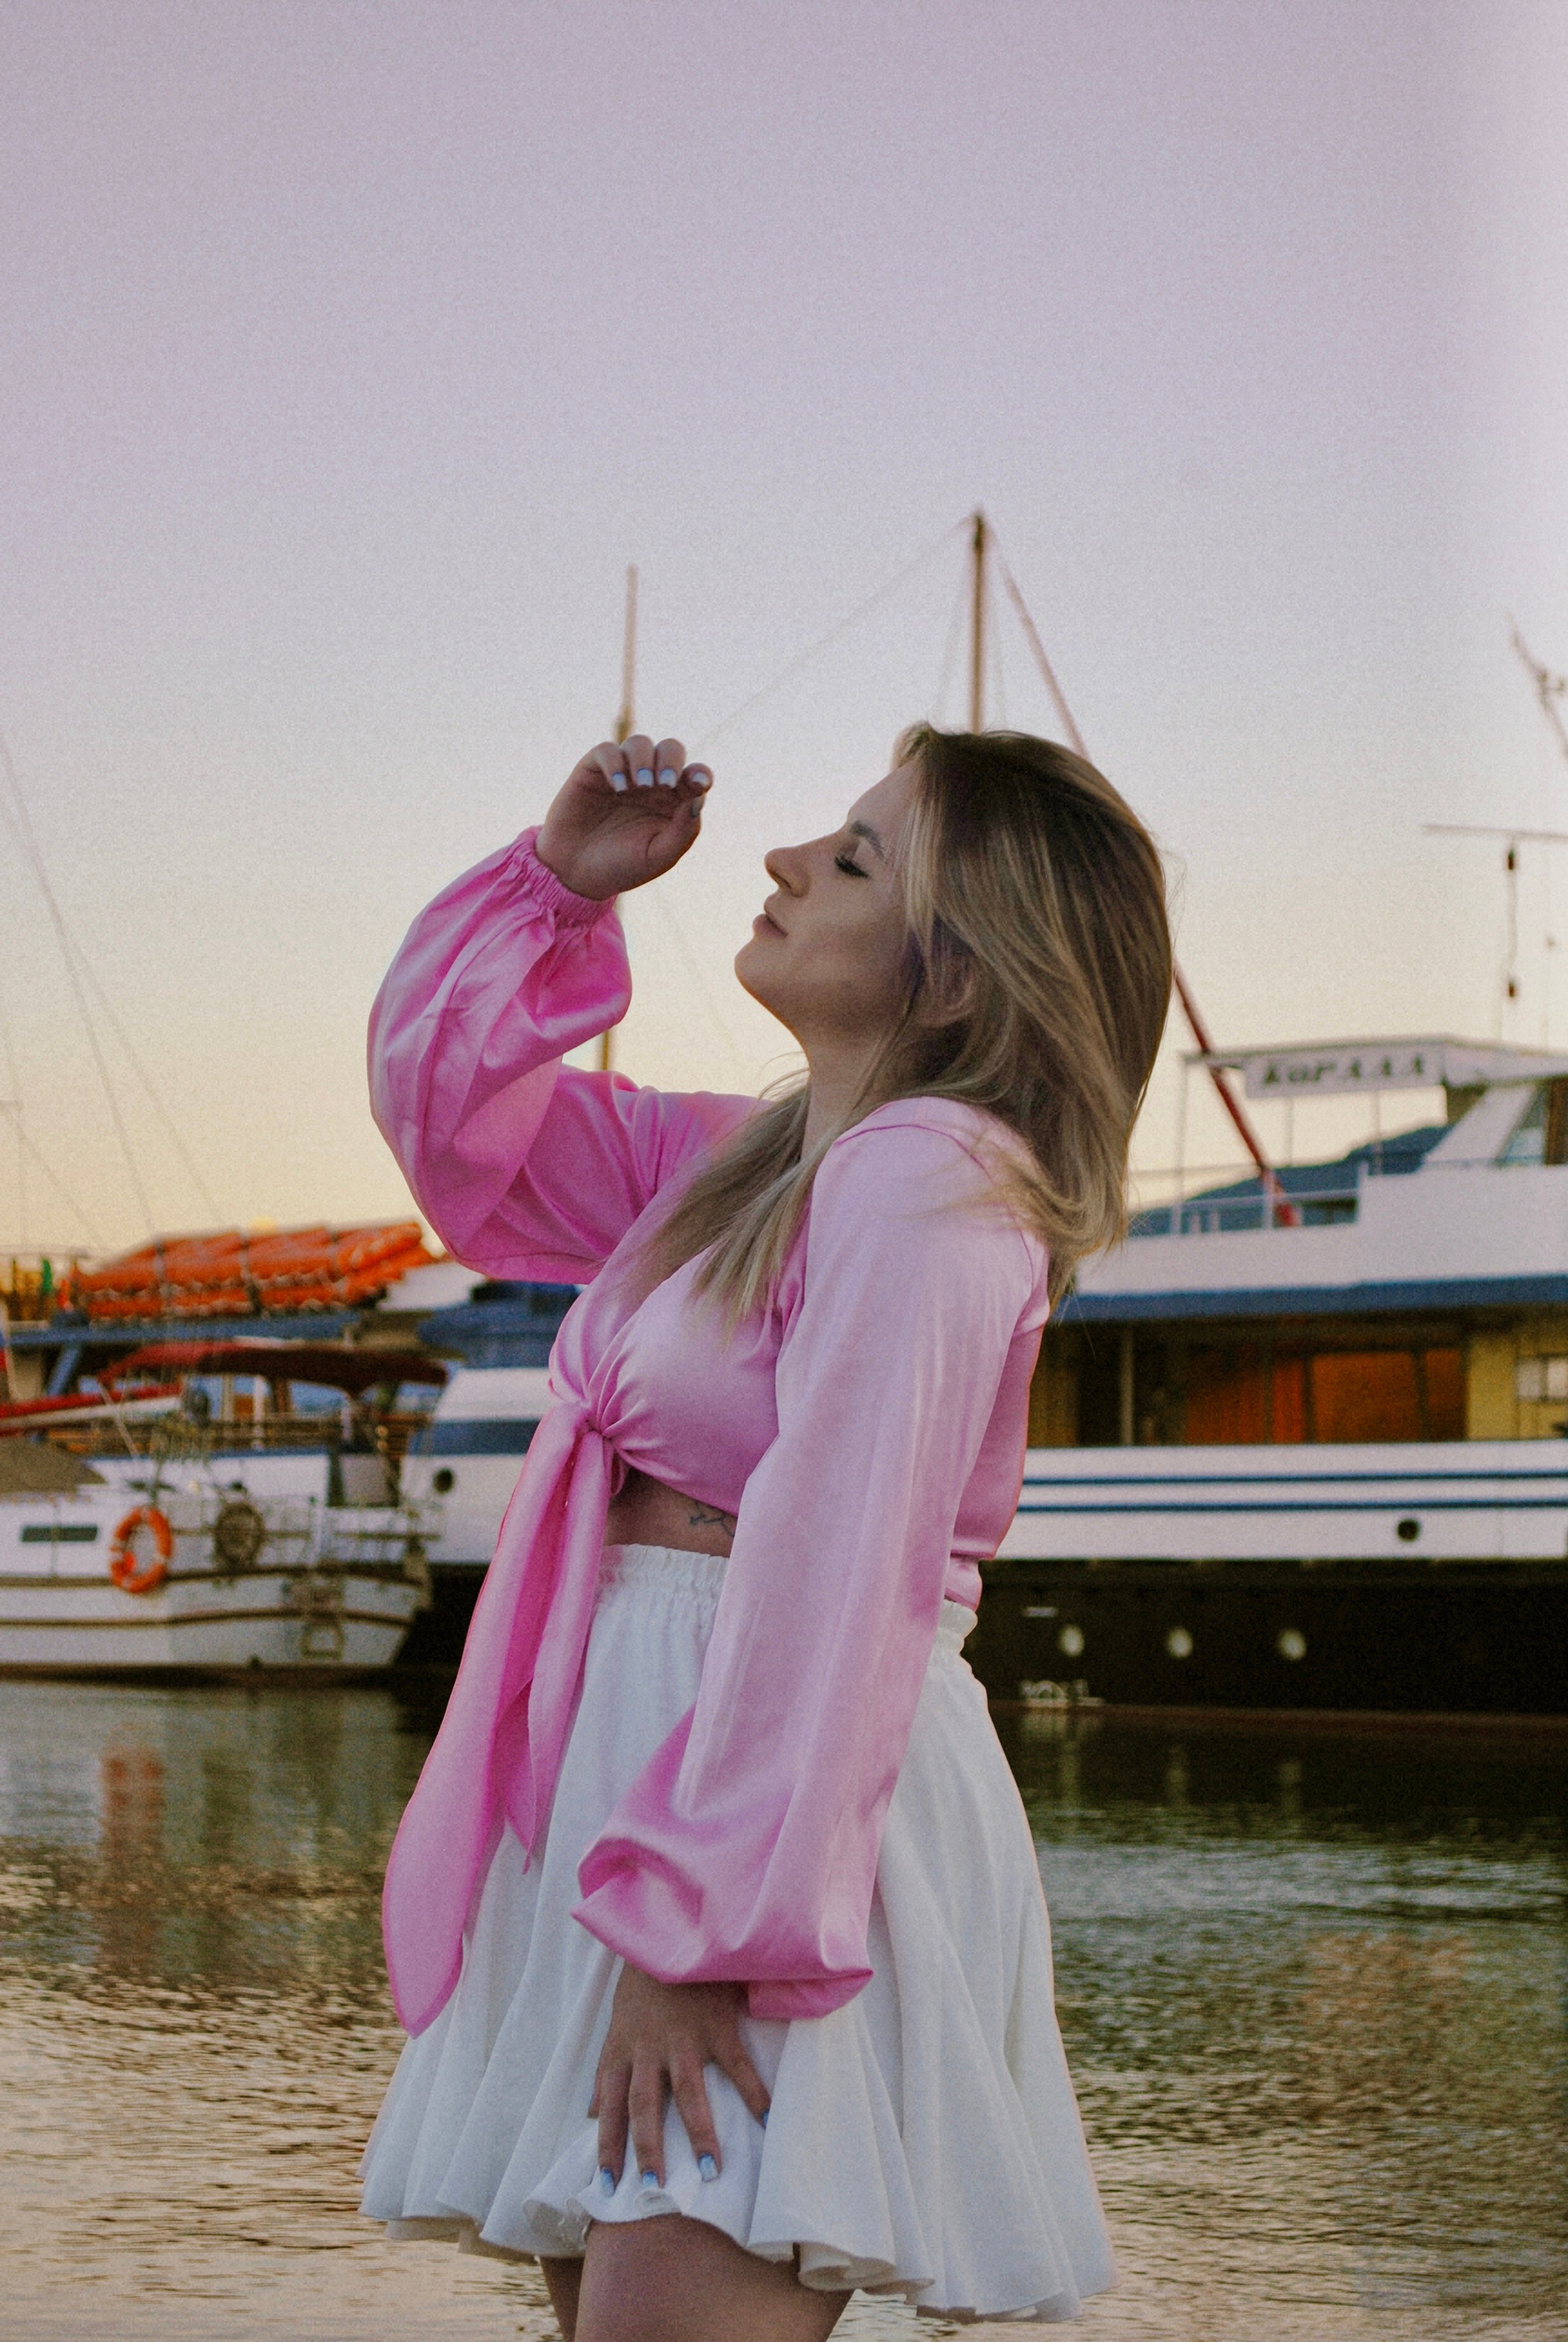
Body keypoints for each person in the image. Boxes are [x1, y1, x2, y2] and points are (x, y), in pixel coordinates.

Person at [359, 724, 1172, 2340]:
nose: (787, 859)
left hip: (756, 1818)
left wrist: (705, 1941)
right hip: (656, 1769)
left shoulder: (932, 1183)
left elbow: (847, 1562)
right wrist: (551, 889)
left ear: (959, 972)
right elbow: (462, 1140)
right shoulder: (747, 1162)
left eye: (856, 858)